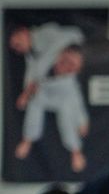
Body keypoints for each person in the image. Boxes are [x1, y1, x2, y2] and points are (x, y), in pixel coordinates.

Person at [10, 23, 90, 175]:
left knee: (67, 113)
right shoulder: (35, 59)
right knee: (35, 103)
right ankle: (28, 139)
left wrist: (82, 122)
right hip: (44, 92)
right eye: (15, 46)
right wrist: (25, 96)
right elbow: (33, 81)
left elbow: (77, 102)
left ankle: (76, 151)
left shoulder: (50, 37)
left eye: (18, 41)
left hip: (63, 98)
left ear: (25, 32)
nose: (17, 47)